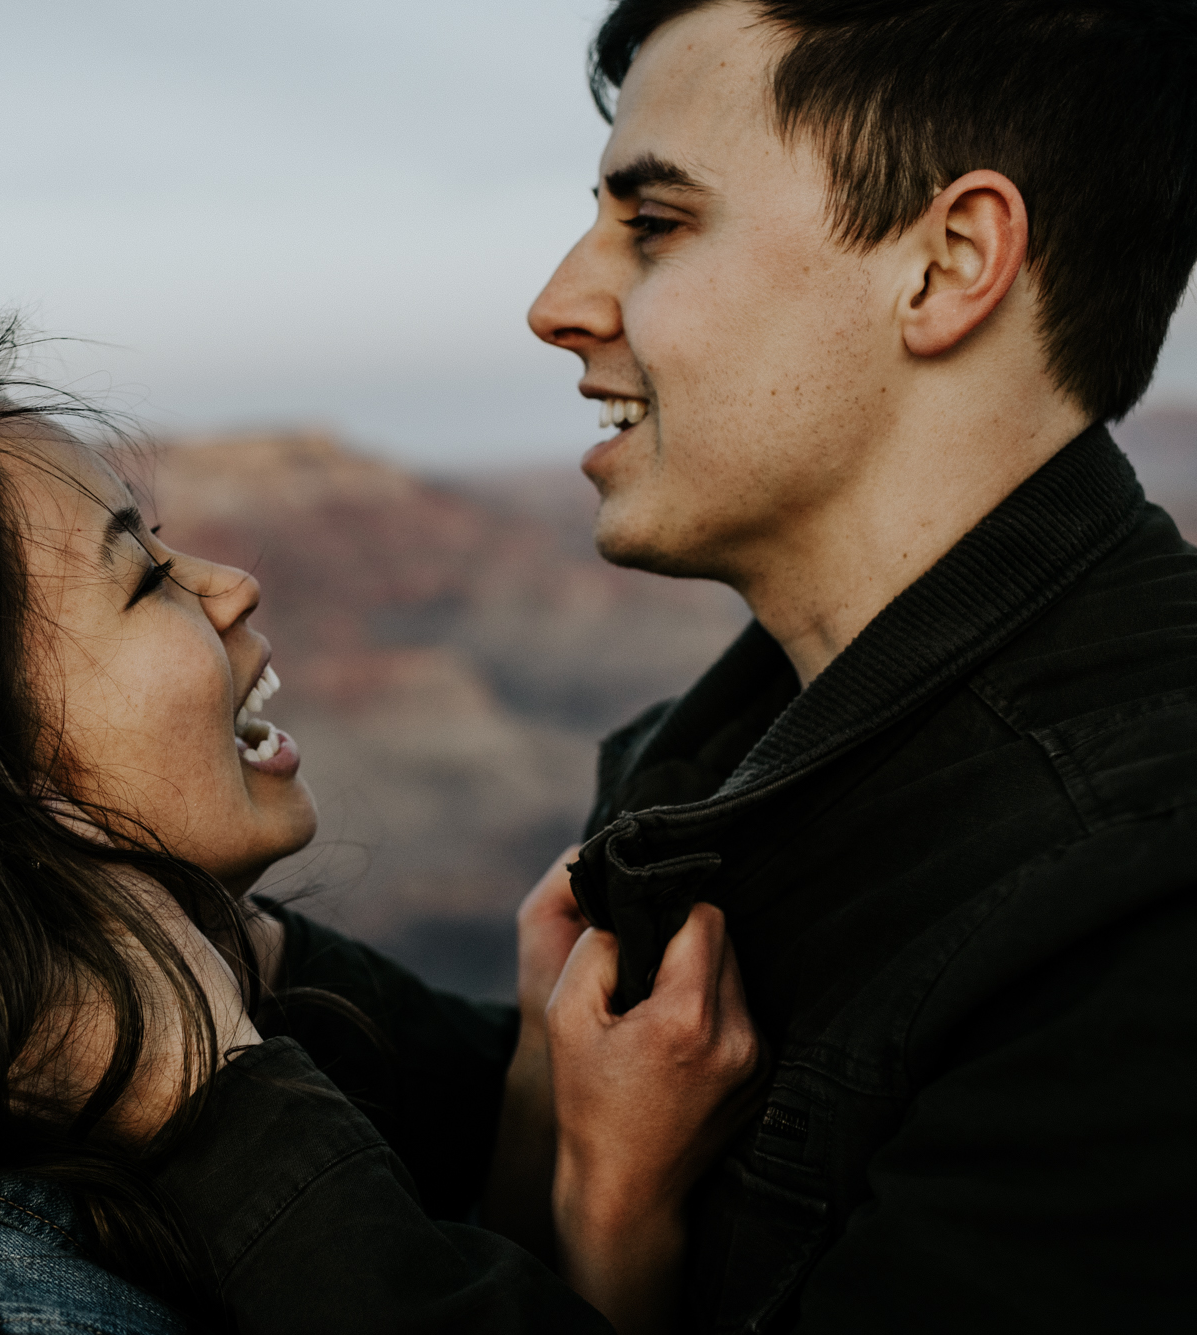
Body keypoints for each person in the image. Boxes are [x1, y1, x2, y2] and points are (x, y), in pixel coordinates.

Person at [0, 322, 763, 1335]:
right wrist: (616, 1220)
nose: (231, 583)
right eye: (142, 575)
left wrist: (536, 1091)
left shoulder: (133, 1053)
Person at [489, 1, 1197, 1330]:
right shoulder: (747, 743)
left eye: (653, 224)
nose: (558, 306)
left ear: (945, 263)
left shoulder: (1139, 908)